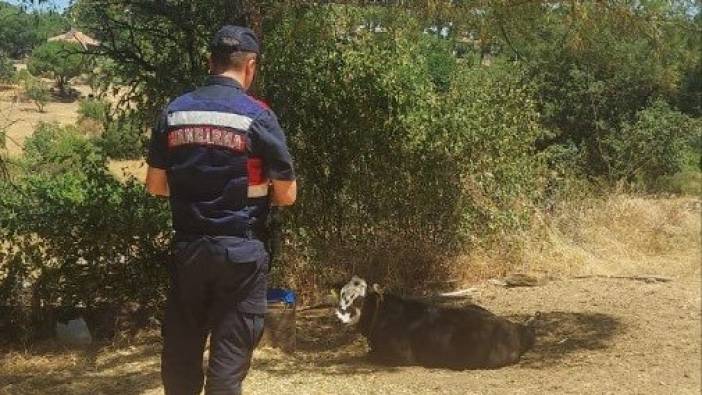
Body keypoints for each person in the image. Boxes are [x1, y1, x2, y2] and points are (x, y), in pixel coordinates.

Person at [145, 25, 296, 395]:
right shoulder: (258, 117)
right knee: (227, 367)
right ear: (250, 65)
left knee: (181, 354)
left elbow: (155, 186)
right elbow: (288, 194)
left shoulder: (175, 112)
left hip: (189, 252)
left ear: (210, 62)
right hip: (240, 255)